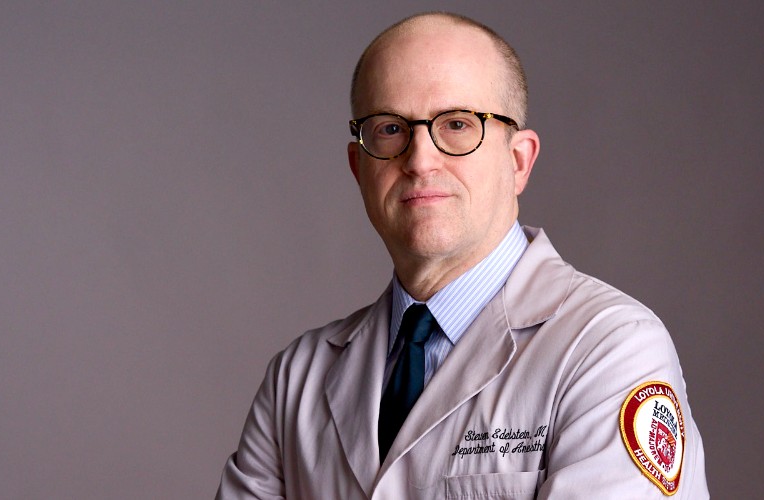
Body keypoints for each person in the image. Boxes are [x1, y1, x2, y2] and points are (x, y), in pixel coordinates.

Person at [217, 11, 708, 499]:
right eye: (390, 129)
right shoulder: (296, 379)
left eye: (456, 124)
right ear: (358, 166)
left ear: (518, 161)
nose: (420, 159)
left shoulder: (609, 350)